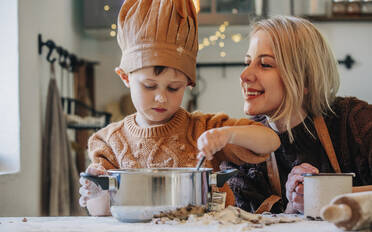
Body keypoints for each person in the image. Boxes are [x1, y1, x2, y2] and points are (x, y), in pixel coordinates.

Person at [78, 0, 280, 216]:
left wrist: (227, 134)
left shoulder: (203, 128)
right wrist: (96, 192)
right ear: (125, 77)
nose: (161, 98)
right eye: (149, 86)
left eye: (174, 88)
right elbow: (100, 212)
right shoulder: (108, 142)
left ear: (189, 84)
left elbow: (270, 140)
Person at [226, 15, 372, 214]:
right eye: (247, 62)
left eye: (265, 64)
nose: (244, 76)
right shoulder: (242, 146)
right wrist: (293, 206)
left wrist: (325, 196)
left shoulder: (355, 121)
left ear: (305, 80)